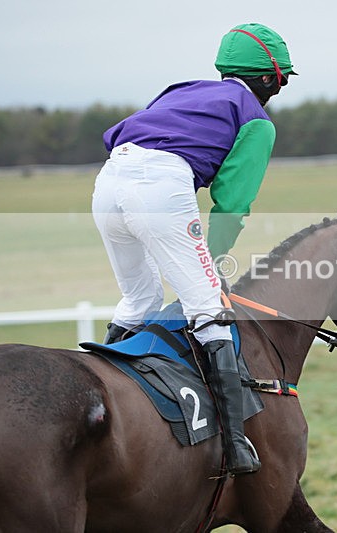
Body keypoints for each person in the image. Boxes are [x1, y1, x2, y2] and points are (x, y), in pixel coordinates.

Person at [91, 22, 296, 476]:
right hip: (161, 186)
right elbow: (233, 203)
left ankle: (98, 387)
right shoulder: (257, 121)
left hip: (109, 181)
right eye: (280, 81)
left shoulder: (180, 89)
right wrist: (215, 263)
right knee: (207, 306)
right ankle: (237, 443)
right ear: (269, 78)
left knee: (139, 298)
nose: (277, 92)